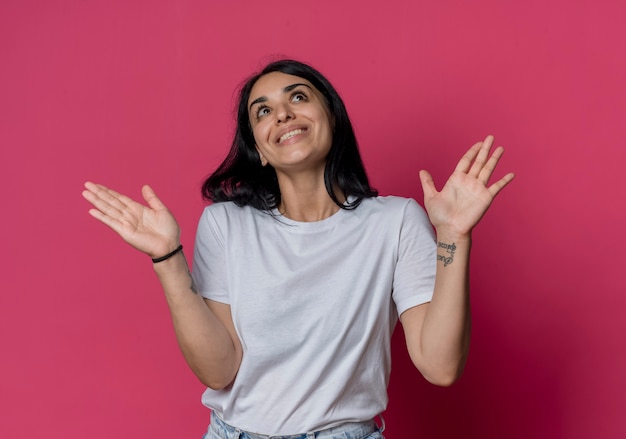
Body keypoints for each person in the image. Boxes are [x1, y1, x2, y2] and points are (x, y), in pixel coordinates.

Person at [82, 59, 514, 439]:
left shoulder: (395, 221)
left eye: (298, 96)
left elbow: (440, 367)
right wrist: (167, 259)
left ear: (331, 117)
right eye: (263, 111)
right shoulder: (226, 223)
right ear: (260, 149)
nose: (283, 114)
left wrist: (454, 236)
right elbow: (219, 370)